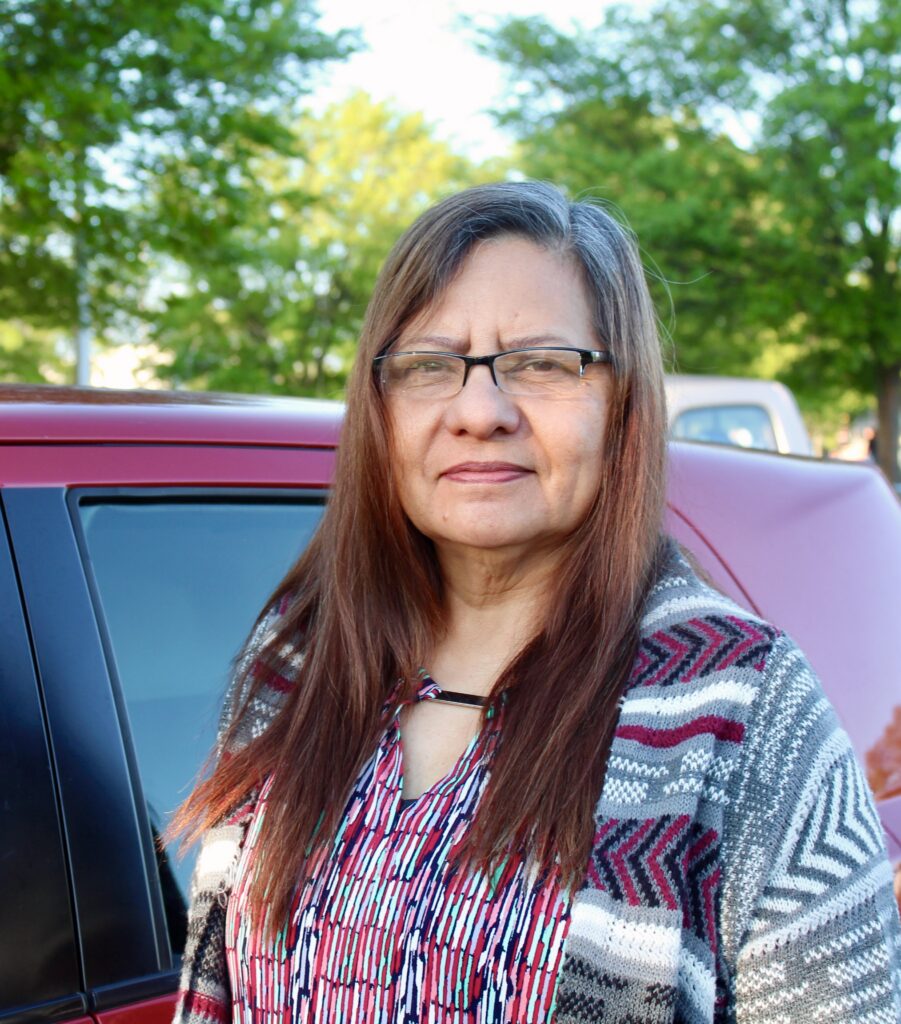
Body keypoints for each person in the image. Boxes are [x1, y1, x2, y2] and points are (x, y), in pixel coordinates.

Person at [171, 181, 901, 1024]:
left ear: (620, 403)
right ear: (379, 407)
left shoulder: (746, 711)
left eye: (543, 364)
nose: (480, 411)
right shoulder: (296, 660)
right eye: (428, 366)